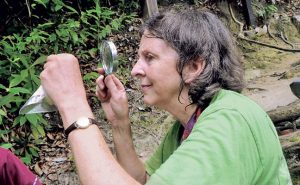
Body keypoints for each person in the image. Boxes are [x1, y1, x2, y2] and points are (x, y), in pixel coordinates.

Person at [40, 9, 292, 185]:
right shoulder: (187, 126)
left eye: (149, 58)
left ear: (194, 67)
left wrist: (73, 106)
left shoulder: (229, 121)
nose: (135, 70)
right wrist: (119, 123)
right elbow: (143, 180)